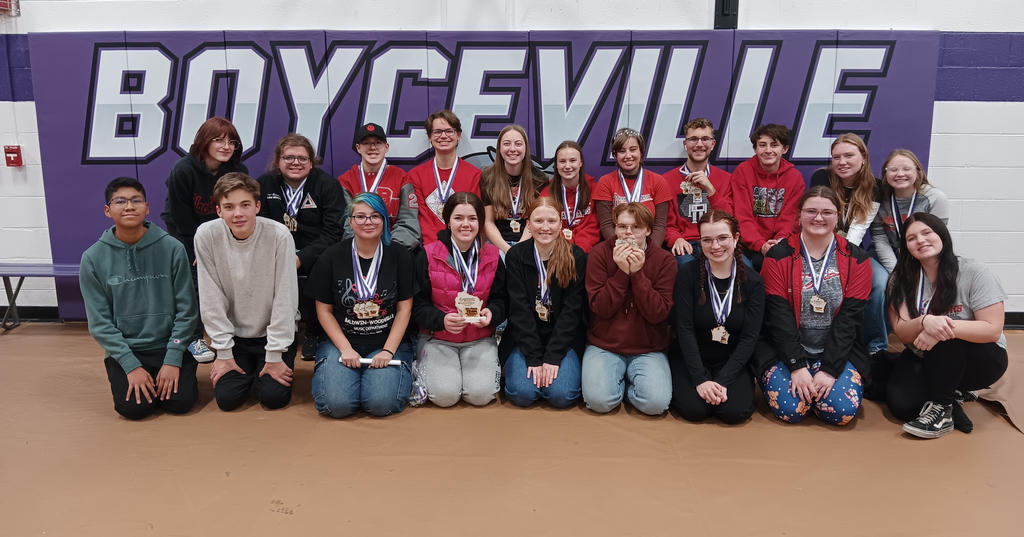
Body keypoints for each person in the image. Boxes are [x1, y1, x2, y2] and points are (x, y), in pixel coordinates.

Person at [81, 177, 199, 420]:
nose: (129, 207)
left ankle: (170, 373)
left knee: (181, 403)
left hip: (169, 343)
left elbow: (187, 310)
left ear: (147, 208)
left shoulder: (173, 248)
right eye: (120, 201)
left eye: (136, 200)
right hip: (128, 348)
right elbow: (100, 322)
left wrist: (173, 359)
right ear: (108, 210)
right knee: (135, 410)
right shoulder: (92, 258)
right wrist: (130, 365)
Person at [884, 214, 1008, 439]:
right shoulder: (899, 279)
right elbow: (902, 332)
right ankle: (953, 396)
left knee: (943, 338)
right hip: (925, 354)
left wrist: (940, 328)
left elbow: (992, 330)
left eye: (926, 233)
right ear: (906, 247)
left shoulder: (975, 272)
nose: (920, 240)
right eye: (911, 238)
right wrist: (924, 322)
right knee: (902, 405)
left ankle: (942, 408)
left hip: (980, 357)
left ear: (942, 234)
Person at [755, 186, 872, 425]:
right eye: (811, 211)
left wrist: (829, 370)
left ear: (838, 216)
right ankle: (808, 392)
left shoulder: (857, 259)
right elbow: (778, 318)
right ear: (799, 215)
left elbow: (849, 321)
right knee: (791, 410)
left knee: (841, 412)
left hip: (835, 351)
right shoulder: (777, 256)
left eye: (827, 212)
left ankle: (820, 390)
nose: (818, 218)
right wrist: (797, 367)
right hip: (785, 350)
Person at [305, 192, 418, 418]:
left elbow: (404, 310)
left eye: (375, 216)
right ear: (350, 221)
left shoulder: (400, 256)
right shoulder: (331, 256)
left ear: (385, 221)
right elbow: (324, 310)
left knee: (380, 404)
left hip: (386, 342)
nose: (368, 222)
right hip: (342, 343)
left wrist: (388, 350)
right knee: (337, 406)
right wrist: (345, 348)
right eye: (361, 217)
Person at [194, 173, 299, 411]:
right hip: (235, 337)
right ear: (219, 210)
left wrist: (274, 355)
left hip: (271, 336)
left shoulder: (279, 235)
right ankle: (248, 367)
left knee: (273, 398)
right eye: (229, 207)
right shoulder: (206, 235)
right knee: (227, 400)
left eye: (245, 205)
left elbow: (286, 297)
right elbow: (211, 298)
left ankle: (262, 366)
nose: (238, 213)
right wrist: (223, 352)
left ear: (257, 207)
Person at [161, 117, 248, 362]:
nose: (226, 146)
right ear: (204, 142)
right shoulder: (184, 169)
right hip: (185, 232)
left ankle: (233, 334)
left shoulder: (238, 171)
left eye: (231, 141)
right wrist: (197, 250)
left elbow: (239, 214)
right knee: (194, 283)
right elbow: (181, 218)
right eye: (218, 140)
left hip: (222, 233)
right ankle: (194, 338)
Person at [809, 134, 891, 392]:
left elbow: (859, 228)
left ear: (864, 159)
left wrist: (845, 261)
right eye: (837, 157)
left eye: (849, 156)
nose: (842, 162)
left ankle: (876, 347)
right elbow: (819, 219)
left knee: (879, 282)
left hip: (853, 249)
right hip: (820, 245)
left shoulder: (876, 186)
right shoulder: (822, 178)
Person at [257, 133, 347, 360]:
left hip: (316, 252)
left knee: (322, 269)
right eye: (288, 157)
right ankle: (276, 331)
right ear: (278, 161)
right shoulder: (264, 184)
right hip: (275, 250)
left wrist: (301, 258)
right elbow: (260, 225)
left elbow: (332, 232)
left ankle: (314, 334)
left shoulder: (327, 186)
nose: (295, 163)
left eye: (302, 158)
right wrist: (283, 254)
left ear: (311, 162)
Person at [412, 192, 506, 407]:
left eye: (472, 218)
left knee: (481, 396)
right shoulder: (426, 255)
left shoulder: (493, 255)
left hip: (480, 338)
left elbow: (502, 299)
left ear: (481, 222)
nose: (466, 224)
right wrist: (441, 320)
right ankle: (419, 367)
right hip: (438, 338)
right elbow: (417, 306)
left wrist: (492, 313)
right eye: (458, 218)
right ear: (447, 221)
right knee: (445, 397)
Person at [581, 202, 676, 415]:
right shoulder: (599, 253)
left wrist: (637, 274)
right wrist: (622, 273)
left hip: (648, 347)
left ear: (649, 230)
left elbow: (658, 313)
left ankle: (626, 387)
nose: (628, 233)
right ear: (614, 228)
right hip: (605, 344)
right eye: (622, 227)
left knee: (655, 404)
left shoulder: (665, 260)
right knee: (600, 402)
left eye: (636, 227)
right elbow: (600, 308)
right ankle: (614, 384)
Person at [670, 210, 763, 424]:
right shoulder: (687, 274)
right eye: (707, 240)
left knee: (734, 412)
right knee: (694, 410)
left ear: (736, 238)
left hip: (730, 359)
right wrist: (700, 380)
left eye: (723, 238)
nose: (715, 246)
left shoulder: (753, 282)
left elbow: (750, 337)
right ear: (700, 242)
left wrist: (723, 380)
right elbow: (683, 329)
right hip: (691, 356)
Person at [502, 197, 588, 408]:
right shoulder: (515, 256)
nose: (545, 227)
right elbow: (519, 310)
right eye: (538, 221)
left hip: (562, 340)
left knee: (561, 396)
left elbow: (572, 312)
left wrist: (552, 357)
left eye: (551, 221)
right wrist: (533, 357)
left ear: (560, 224)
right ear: (528, 225)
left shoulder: (576, 256)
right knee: (522, 394)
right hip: (524, 338)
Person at [731, 124, 805, 271]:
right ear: (755, 149)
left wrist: (779, 242)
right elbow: (742, 215)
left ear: (784, 149)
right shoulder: (743, 171)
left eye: (774, 145)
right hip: (746, 245)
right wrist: (761, 245)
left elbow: (790, 219)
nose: (768, 150)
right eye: (762, 145)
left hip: (781, 244)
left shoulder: (794, 177)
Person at [337, 122, 420, 250]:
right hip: (359, 251)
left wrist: (393, 248)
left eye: (378, 143)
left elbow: (408, 222)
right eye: (366, 143)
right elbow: (347, 224)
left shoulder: (402, 178)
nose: (372, 147)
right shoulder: (346, 181)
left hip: (394, 249)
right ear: (358, 148)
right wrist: (364, 248)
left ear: (386, 147)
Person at [663, 118, 734, 266]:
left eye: (705, 139)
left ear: (713, 144)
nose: (699, 144)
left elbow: (730, 220)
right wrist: (676, 238)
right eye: (693, 139)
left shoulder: (726, 179)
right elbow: (666, 223)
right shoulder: (667, 180)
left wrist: (711, 190)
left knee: (745, 267)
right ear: (685, 144)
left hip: (718, 243)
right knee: (686, 268)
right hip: (687, 244)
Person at [406, 110, 482, 245]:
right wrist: (436, 247)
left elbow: (473, 215)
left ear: (458, 135)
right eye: (437, 132)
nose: (443, 136)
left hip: (463, 246)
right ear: (429, 136)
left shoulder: (474, 175)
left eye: (449, 131)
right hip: (429, 248)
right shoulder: (415, 175)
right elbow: (421, 217)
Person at [870, 149, 949, 273]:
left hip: (923, 254)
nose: (900, 174)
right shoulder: (877, 198)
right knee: (881, 284)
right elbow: (880, 240)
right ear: (885, 174)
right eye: (893, 170)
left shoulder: (935, 198)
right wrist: (896, 272)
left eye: (907, 169)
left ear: (918, 172)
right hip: (887, 255)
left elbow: (937, 239)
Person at [593, 128, 672, 249]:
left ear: (641, 152)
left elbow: (660, 225)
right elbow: (606, 225)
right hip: (617, 247)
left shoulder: (658, 181)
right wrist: (622, 248)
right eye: (622, 151)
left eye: (633, 149)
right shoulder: (605, 182)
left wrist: (648, 252)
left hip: (650, 248)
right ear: (615, 155)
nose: (628, 156)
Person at [481, 125, 549, 254]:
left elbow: (536, 219)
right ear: (499, 149)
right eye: (507, 144)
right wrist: (507, 250)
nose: (512, 149)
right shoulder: (488, 177)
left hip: (529, 241)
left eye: (518, 144)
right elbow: (488, 222)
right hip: (497, 243)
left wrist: (518, 249)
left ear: (525, 148)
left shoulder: (539, 179)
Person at [539, 140, 601, 254]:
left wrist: (578, 251)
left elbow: (593, 227)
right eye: (562, 161)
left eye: (573, 160)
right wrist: (566, 247)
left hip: (586, 252)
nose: (567, 166)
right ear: (556, 165)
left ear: (580, 162)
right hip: (557, 251)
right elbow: (546, 227)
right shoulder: (546, 194)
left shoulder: (595, 190)